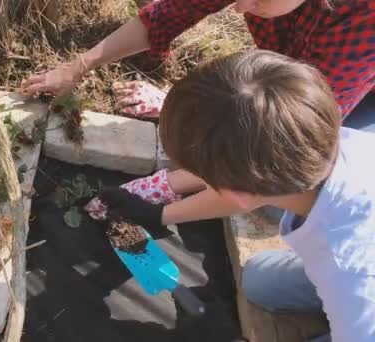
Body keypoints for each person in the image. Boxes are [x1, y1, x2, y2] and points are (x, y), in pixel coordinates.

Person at [92, 49, 375, 342]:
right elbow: (245, 189)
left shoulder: (353, 279)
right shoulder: (315, 141)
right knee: (258, 282)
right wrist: (158, 214)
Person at [21, 0, 374, 130]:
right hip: (297, 70)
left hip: (354, 98)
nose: (237, 9)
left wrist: (179, 108)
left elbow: (300, 118)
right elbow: (167, 15)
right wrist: (77, 66)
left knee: (276, 192)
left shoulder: (362, 22)